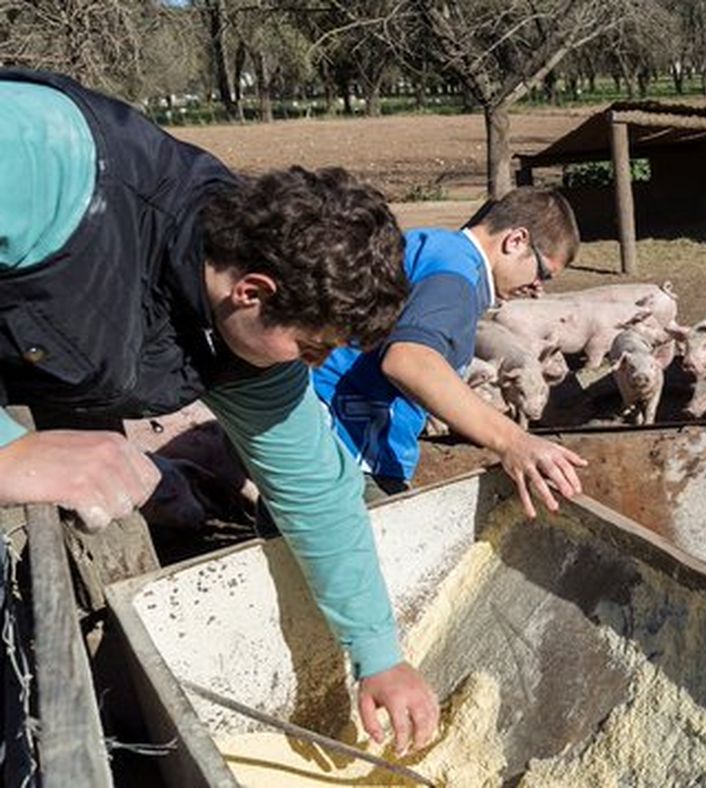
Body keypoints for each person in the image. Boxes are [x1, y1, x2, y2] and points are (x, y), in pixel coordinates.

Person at [0, 69, 442, 753]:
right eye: (312, 347)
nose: (313, 367)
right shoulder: (42, 157)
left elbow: (316, 494)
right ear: (254, 292)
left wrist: (378, 654)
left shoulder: (244, 350)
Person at [313, 188, 588, 513]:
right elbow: (409, 360)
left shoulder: (437, 249)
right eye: (542, 273)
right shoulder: (456, 275)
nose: (538, 290)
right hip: (344, 453)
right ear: (515, 240)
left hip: (331, 441)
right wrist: (513, 441)